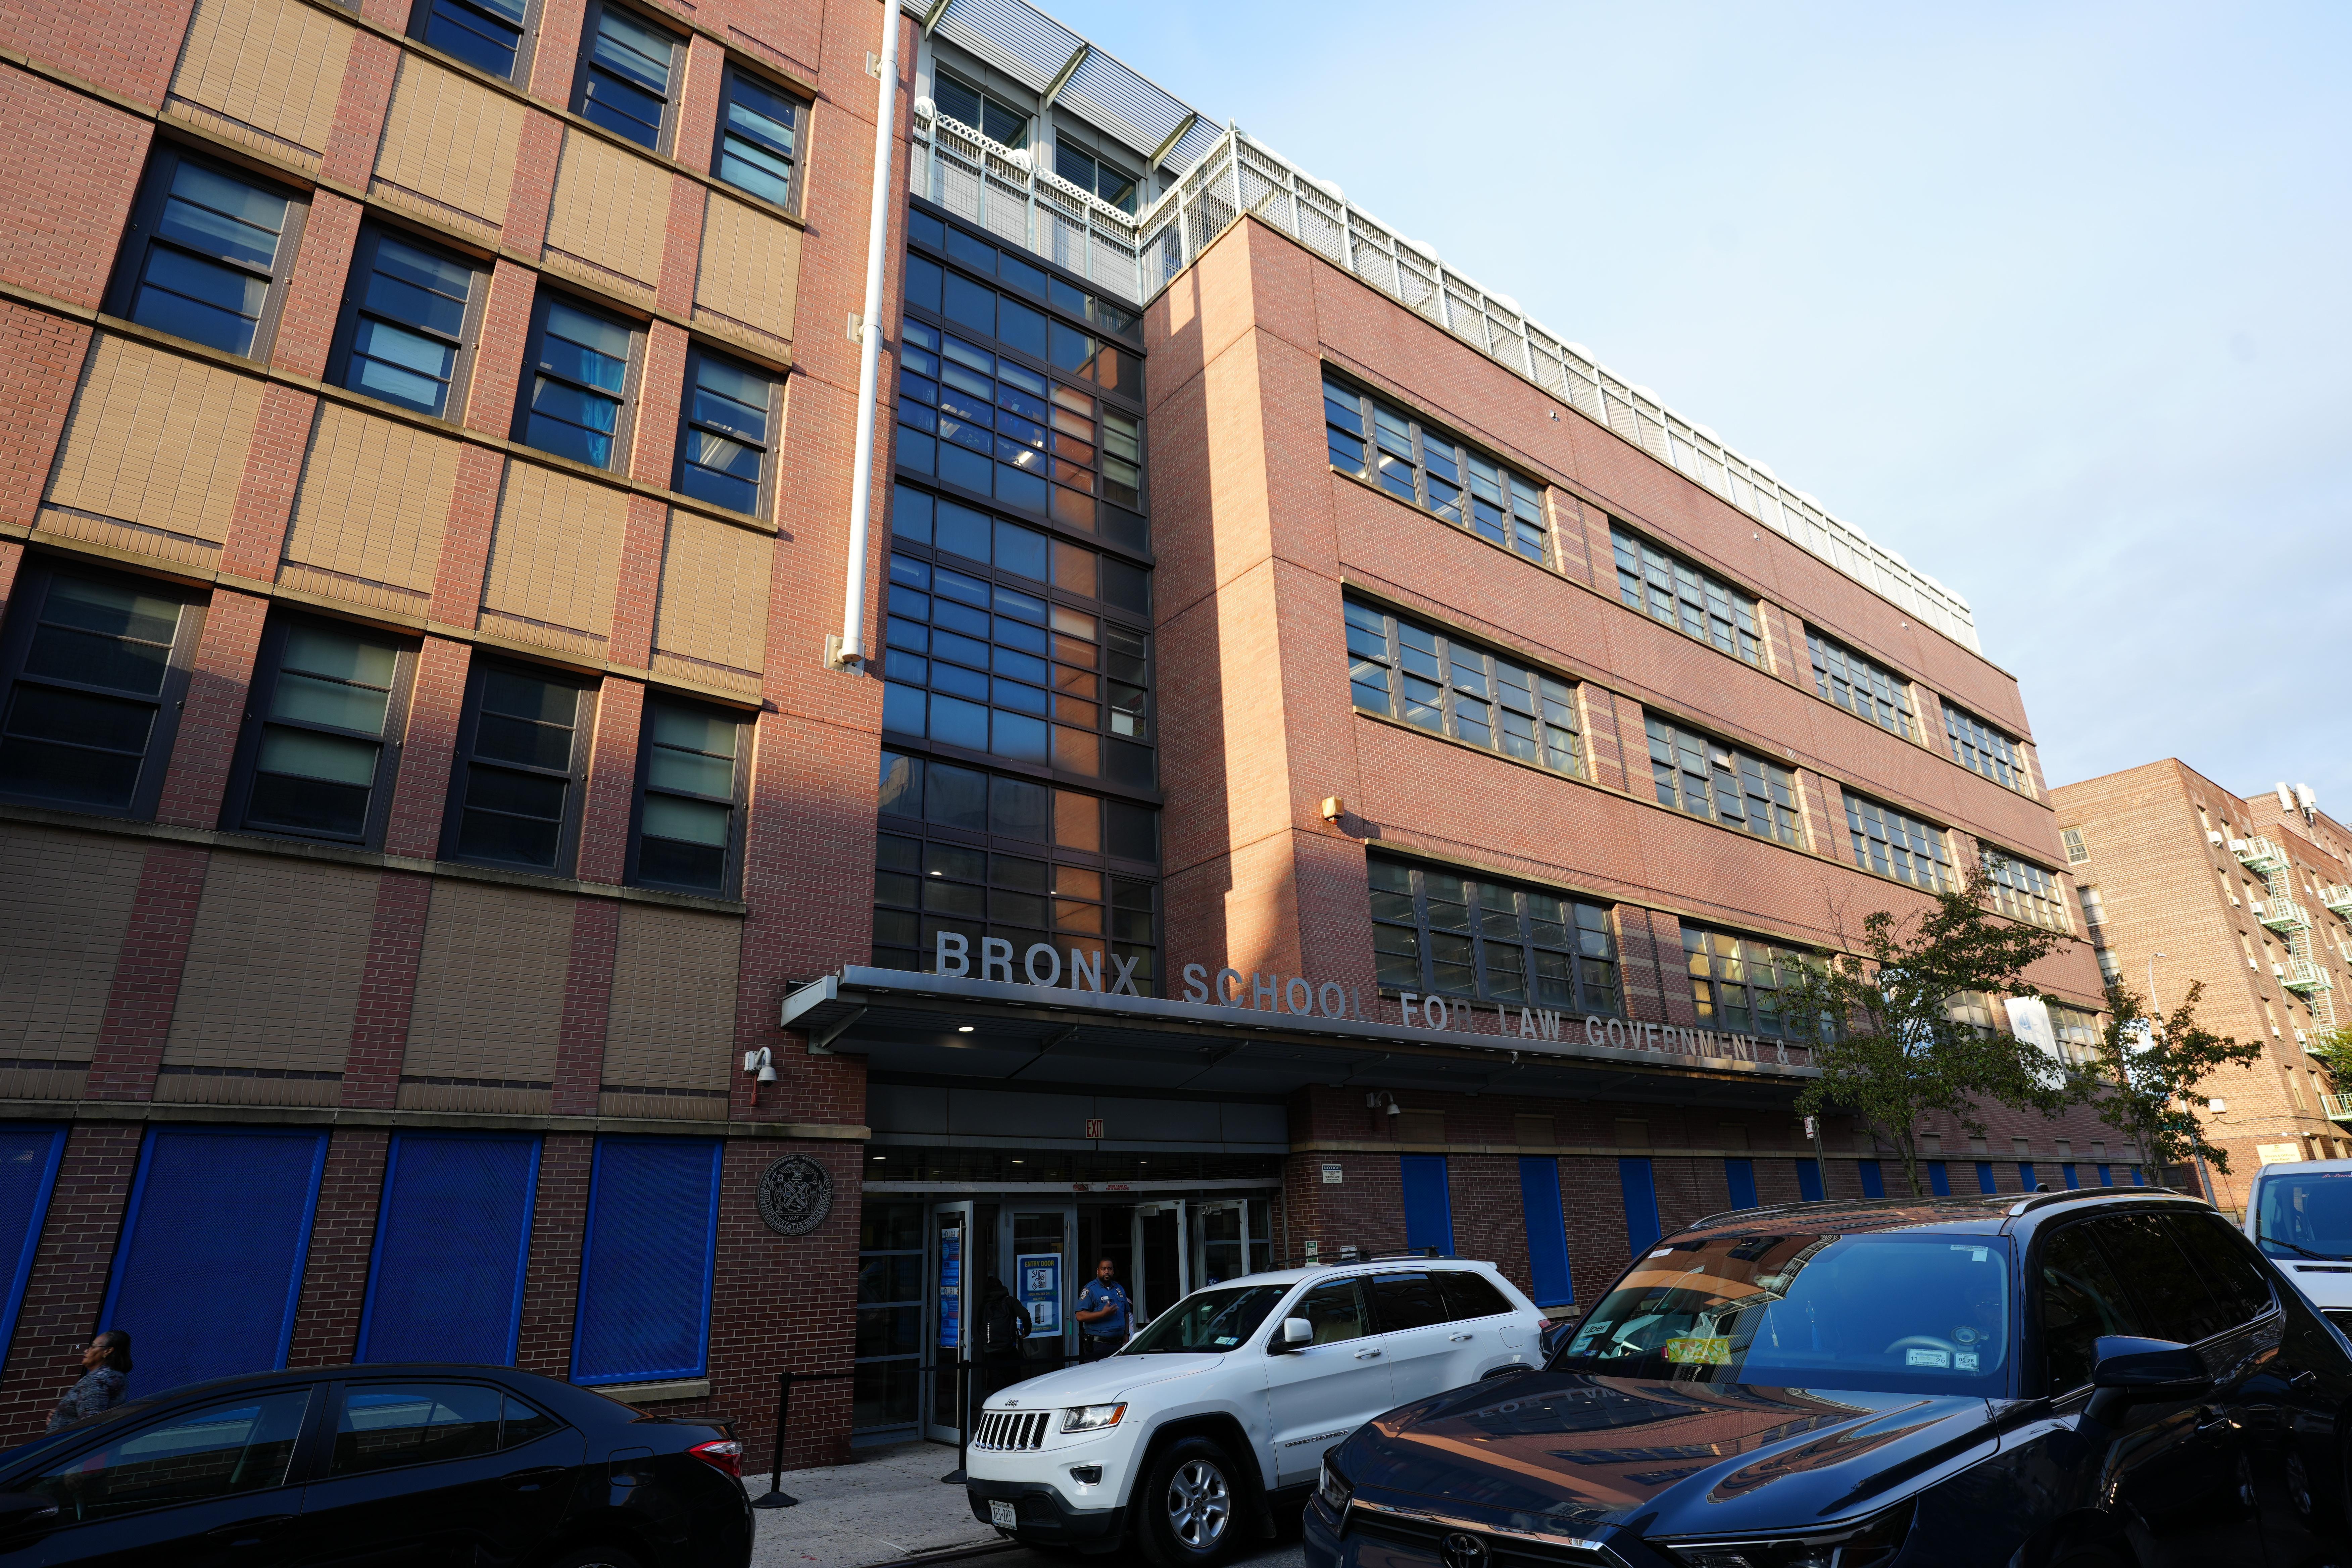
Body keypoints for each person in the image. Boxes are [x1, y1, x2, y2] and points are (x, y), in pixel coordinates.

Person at [48, 1330, 131, 1433]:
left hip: (69, 1445)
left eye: (93, 1347)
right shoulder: (113, 1376)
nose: (86, 1351)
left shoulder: (97, 1381)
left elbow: (91, 1424)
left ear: (108, 1351)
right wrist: (61, 1414)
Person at [975, 1275, 1032, 1404]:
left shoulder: (984, 1306)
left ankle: (997, 1409)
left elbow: (979, 1328)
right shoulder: (1010, 1301)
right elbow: (1025, 1315)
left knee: (997, 1384)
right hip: (1009, 1349)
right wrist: (1027, 1332)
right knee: (1014, 1383)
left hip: (991, 1352)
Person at [1073, 1258, 1132, 1363]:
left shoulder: (1119, 1289)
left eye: (1110, 1269)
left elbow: (1126, 1314)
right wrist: (1102, 1314)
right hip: (1098, 1346)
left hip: (1118, 1345)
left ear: (1114, 1271)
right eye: (1103, 1269)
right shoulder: (1091, 1289)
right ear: (1098, 1271)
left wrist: (1126, 1334)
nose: (1107, 1272)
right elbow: (1080, 1316)